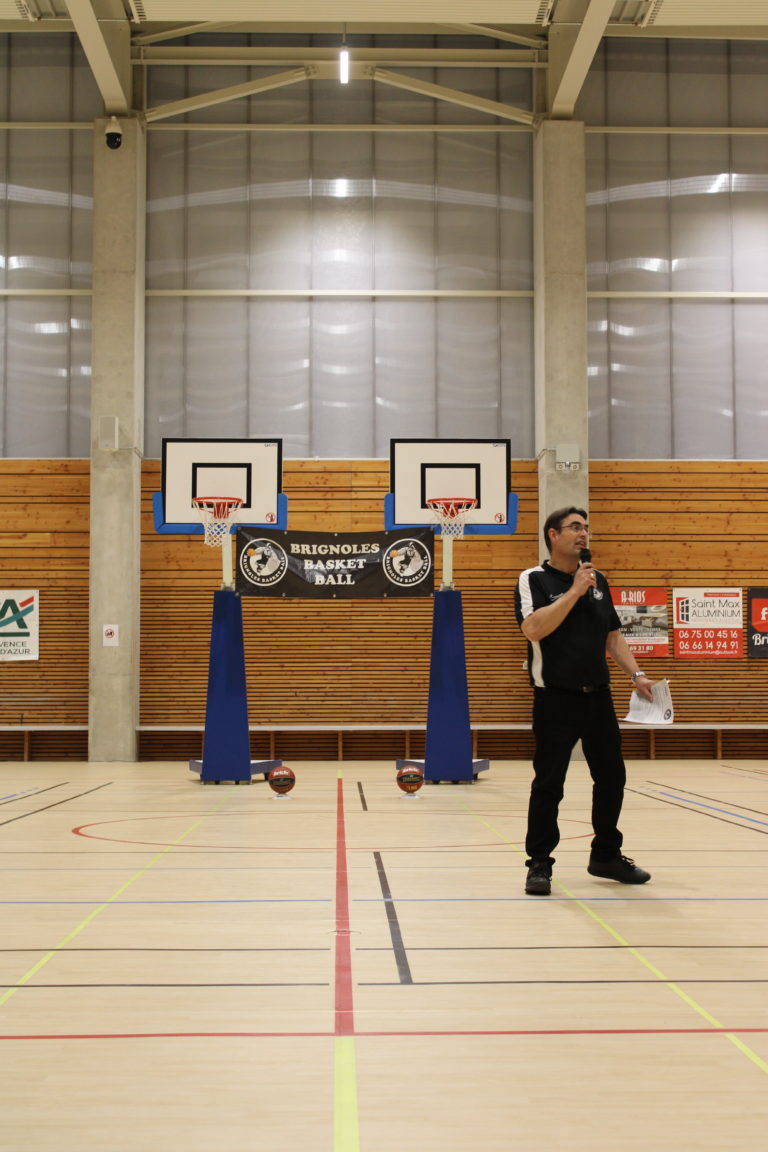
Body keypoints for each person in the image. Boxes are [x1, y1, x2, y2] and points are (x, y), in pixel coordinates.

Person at [514, 506, 654, 896]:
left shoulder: (599, 580)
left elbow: (613, 636)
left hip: (598, 698)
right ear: (553, 535)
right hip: (554, 698)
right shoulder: (533, 579)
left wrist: (637, 675)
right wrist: (574, 591)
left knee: (612, 778)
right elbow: (533, 629)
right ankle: (540, 863)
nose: (583, 534)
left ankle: (606, 855)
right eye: (574, 527)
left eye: (586, 528)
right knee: (549, 784)